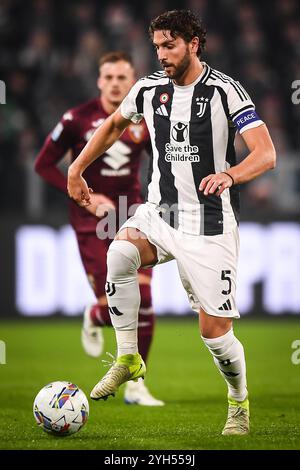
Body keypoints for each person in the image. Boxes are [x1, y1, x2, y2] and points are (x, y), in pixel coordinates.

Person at [67, 10, 276, 435]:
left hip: (210, 224)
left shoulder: (224, 92)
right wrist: (77, 169)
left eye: (170, 45)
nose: (161, 54)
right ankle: (128, 357)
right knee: (121, 253)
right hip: (161, 212)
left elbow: (266, 153)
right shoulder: (148, 90)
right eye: (157, 46)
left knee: (215, 336)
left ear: (193, 43)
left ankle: (238, 403)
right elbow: (112, 127)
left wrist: (231, 174)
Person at [35, 51, 164, 407]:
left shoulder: (145, 118)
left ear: (133, 79)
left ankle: (137, 385)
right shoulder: (77, 118)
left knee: (146, 300)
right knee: (111, 308)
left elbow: (163, 162)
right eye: (108, 77)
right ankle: (94, 315)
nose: (115, 84)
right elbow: (43, 164)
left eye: (122, 78)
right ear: (98, 80)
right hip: (91, 223)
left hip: (133, 215)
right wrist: (82, 194)